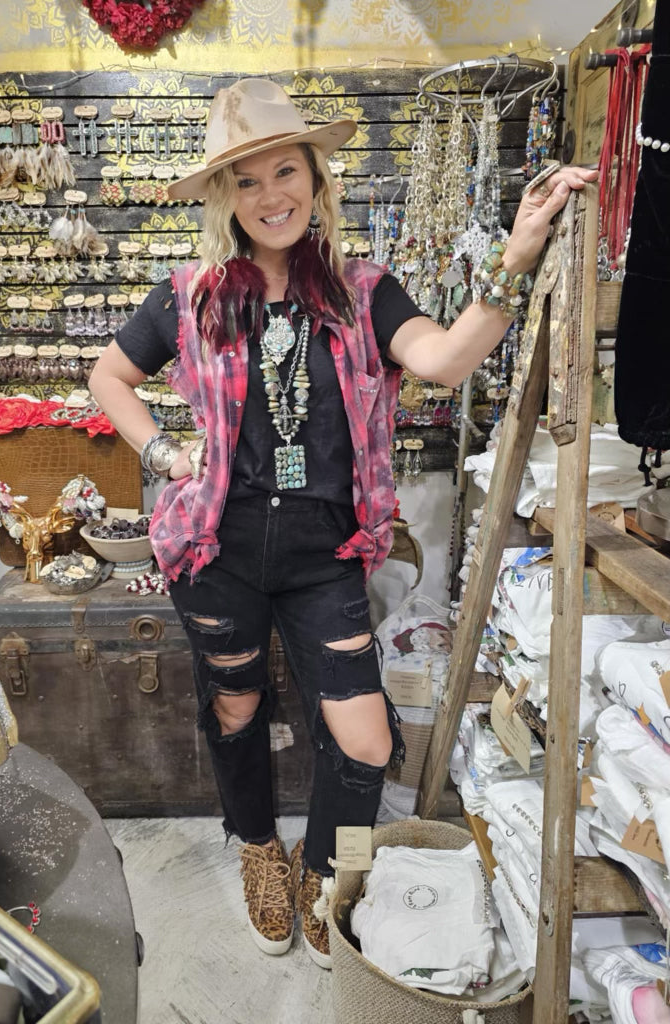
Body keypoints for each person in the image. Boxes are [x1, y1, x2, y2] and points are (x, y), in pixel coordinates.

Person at [89, 77, 597, 969]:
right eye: (245, 182)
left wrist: (514, 261)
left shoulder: (363, 292)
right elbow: (109, 381)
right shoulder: (193, 295)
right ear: (224, 198)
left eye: (285, 172)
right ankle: (256, 848)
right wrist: (166, 454)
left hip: (327, 557)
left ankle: (333, 869)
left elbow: (441, 359)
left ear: (317, 180)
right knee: (239, 707)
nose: (269, 195)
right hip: (218, 550)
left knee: (363, 735)